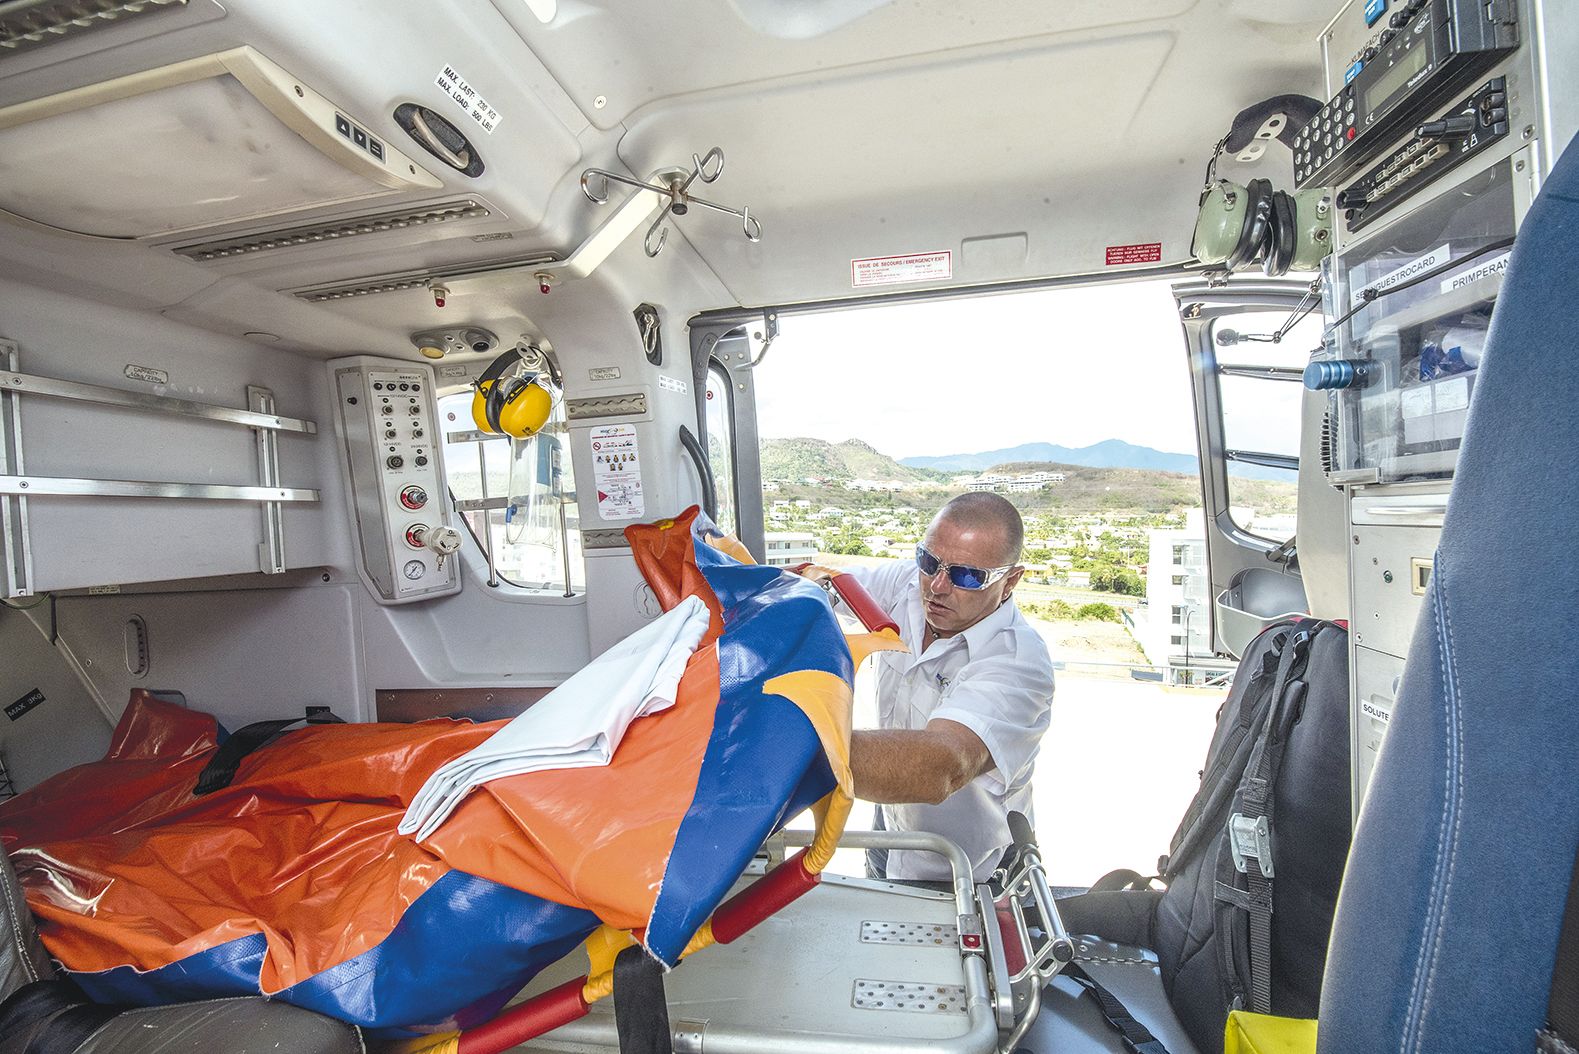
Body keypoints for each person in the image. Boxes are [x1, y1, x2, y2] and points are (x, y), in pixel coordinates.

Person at [819, 493, 1055, 884]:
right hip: (891, 826)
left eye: (967, 576)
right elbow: (821, 585)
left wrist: (798, 751)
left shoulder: (1018, 662)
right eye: (929, 562)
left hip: (966, 867)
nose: (937, 587)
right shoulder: (908, 584)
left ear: (1010, 581)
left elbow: (943, 764)